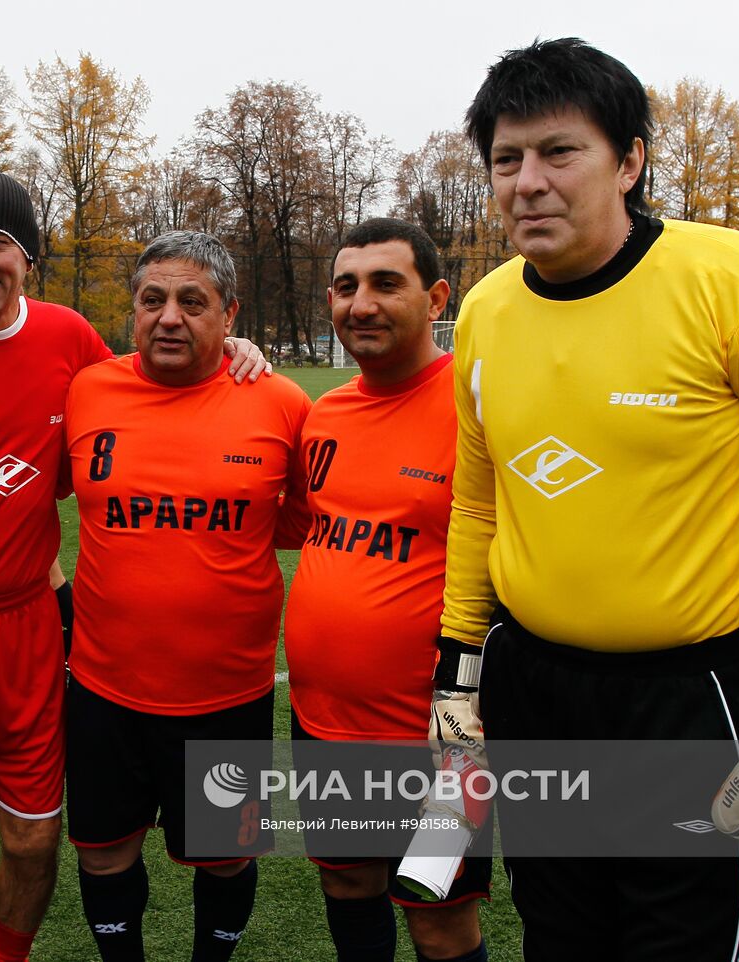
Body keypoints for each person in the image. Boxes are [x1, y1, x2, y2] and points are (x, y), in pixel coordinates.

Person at [435, 38, 739, 961]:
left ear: (630, 159)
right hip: (535, 690)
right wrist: (458, 669)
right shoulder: (482, 313)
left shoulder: (735, 277)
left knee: (679, 942)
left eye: (560, 151)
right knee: (559, 934)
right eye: (506, 159)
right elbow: (481, 506)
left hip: (693, 695)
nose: (528, 182)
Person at [0, 177, 267, 962]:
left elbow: (146, 383)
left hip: (31, 628)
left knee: (38, 835)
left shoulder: (69, 340)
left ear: (28, 259)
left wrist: (235, 352)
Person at [63, 231, 311, 962]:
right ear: (133, 312)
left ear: (229, 314)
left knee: (226, 857)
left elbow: (300, 523)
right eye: (153, 300)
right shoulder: (87, 388)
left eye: (192, 302)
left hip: (226, 697)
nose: (169, 317)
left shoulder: (283, 403)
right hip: (105, 690)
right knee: (104, 853)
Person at [282, 218, 489, 962]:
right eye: (345, 287)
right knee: (347, 884)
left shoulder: (480, 407)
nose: (360, 304)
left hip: (444, 742)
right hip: (325, 723)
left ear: (435, 298)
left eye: (384, 284)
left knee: (438, 914)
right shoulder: (326, 415)